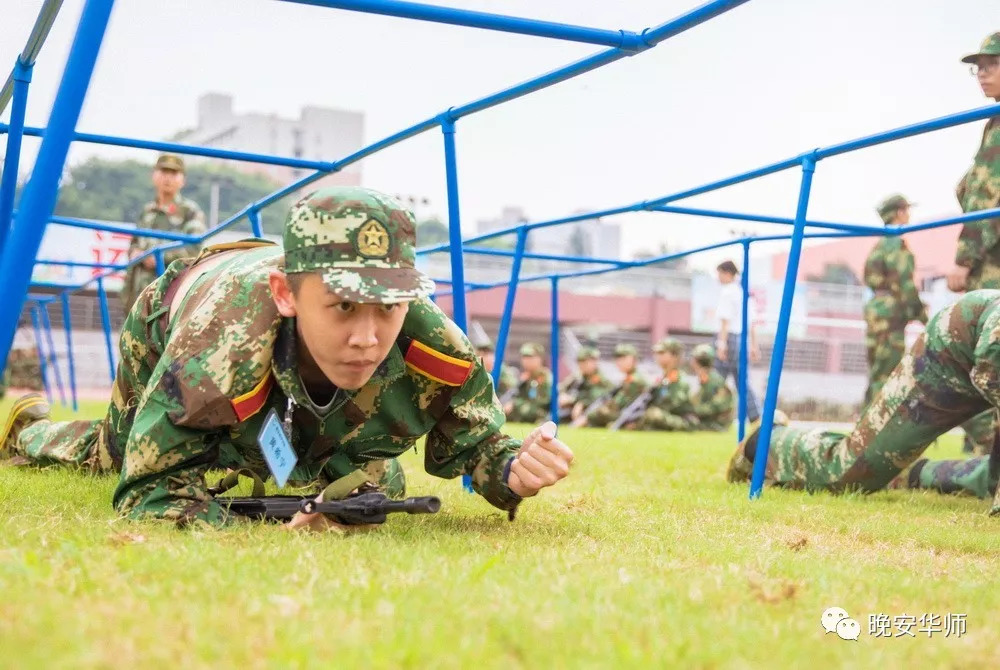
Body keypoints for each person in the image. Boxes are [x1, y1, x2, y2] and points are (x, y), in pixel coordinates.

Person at [0, 186, 574, 529]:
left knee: (370, 476)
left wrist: (512, 469)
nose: (368, 337)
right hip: (180, 305)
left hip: (266, 336)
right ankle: (24, 433)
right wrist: (271, 526)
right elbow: (151, 494)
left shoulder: (438, 349)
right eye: (344, 307)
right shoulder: (216, 353)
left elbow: (477, 447)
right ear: (287, 294)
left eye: (390, 306)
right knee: (119, 454)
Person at [726, 290, 1000, 515]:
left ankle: (911, 474)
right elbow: (990, 366)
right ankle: (762, 445)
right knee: (852, 469)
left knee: (992, 476)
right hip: (945, 361)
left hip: (986, 371)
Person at [944, 33, 1000, 457]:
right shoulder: (992, 123)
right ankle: (984, 453)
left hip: (991, 260)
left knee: (978, 356)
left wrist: (964, 258)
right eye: (976, 67)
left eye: (991, 64)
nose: (981, 74)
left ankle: (987, 452)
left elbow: (984, 197)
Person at [119, 154, 207, 311]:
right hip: (138, 294)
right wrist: (135, 253)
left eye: (174, 173)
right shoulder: (147, 211)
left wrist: (159, 257)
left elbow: (195, 248)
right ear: (154, 176)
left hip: (169, 294)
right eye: (164, 172)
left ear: (183, 180)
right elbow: (134, 243)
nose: (168, 178)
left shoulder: (190, 211)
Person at [863, 194, 927, 405]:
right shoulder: (897, 246)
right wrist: (924, 316)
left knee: (876, 372)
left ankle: (863, 430)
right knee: (887, 374)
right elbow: (905, 285)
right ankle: (875, 432)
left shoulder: (879, 245)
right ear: (899, 213)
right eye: (906, 210)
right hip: (890, 313)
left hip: (876, 310)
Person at [714, 260, 761, 422]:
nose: (718, 278)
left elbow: (725, 321)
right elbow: (752, 323)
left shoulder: (728, 292)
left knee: (717, 379)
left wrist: (721, 344)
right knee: (742, 380)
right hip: (742, 339)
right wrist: (754, 345)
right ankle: (755, 414)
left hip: (731, 338)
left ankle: (713, 413)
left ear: (727, 274)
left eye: (719, 274)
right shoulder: (744, 293)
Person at [625, 338, 695, 431]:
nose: (657, 356)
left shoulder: (680, 379)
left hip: (682, 420)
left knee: (654, 414)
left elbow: (675, 405)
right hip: (666, 417)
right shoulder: (663, 379)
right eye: (656, 353)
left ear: (674, 356)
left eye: (662, 353)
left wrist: (654, 407)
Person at [576, 343, 647, 428]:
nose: (619, 362)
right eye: (618, 358)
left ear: (634, 360)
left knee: (600, 412)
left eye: (623, 358)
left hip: (634, 416)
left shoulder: (634, 379)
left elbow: (619, 403)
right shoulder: (629, 378)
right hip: (627, 414)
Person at [557, 346, 613, 423]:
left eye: (585, 362)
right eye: (580, 362)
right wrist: (562, 395)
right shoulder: (578, 377)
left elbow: (595, 397)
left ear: (594, 362)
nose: (582, 365)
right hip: (572, 411)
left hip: (591, 413)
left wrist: (578, 402)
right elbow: (561, 387)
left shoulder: (600, 379)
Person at [689, 344, 734, 432]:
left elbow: (717, 406)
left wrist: (694, 411)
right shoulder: (706, 378)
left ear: (696, 361)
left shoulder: (714, 380)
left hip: (717, 423)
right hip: (709, 419)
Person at [505, 343, 553, 424]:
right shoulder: (525, 376)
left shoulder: (545, 376)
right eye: (524, 357)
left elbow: (542, 402)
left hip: (540, 412)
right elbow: (516, 395)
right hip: (525, 409)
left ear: (540, 358)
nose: (526, 361)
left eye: (530, 357)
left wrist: (516, 404)